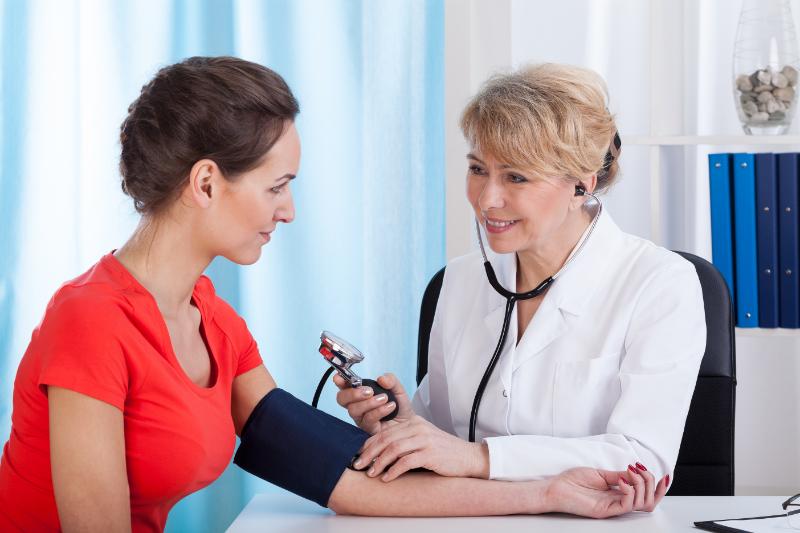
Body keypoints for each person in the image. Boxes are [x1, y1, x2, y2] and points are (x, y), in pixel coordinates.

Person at [0, 57, 664, 532]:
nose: (288, 211)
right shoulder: (91, 320)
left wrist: (545, 490)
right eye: (276, 185)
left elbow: (340, 480)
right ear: (205, 184)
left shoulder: (213, 322)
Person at [335, 63, 705, 490]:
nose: (488, 199)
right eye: (478, 170)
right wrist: (401, 425)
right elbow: (444, 435)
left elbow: (643, 460)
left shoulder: (659, 284)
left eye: (516, 176)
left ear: (581, 185)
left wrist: (480, 458)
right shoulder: (459, 280)